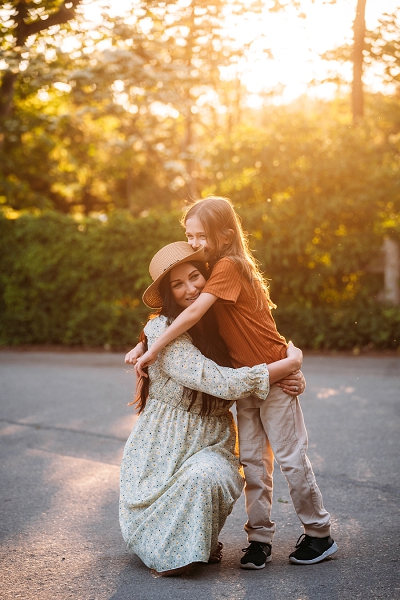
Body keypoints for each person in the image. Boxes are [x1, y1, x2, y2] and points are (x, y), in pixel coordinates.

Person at [127, 196, 337, 568]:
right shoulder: (212, 278)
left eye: (199, 236)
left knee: (289, 458)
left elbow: (192, 312)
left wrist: (292, 364)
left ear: (224, 233)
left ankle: (319, 533)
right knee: (253, 462)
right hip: (249, 383)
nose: (193, 243)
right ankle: (259, 540)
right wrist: (147, 342)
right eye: (188, 236)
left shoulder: (228, 265)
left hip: (270, 378)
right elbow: (183, 317)